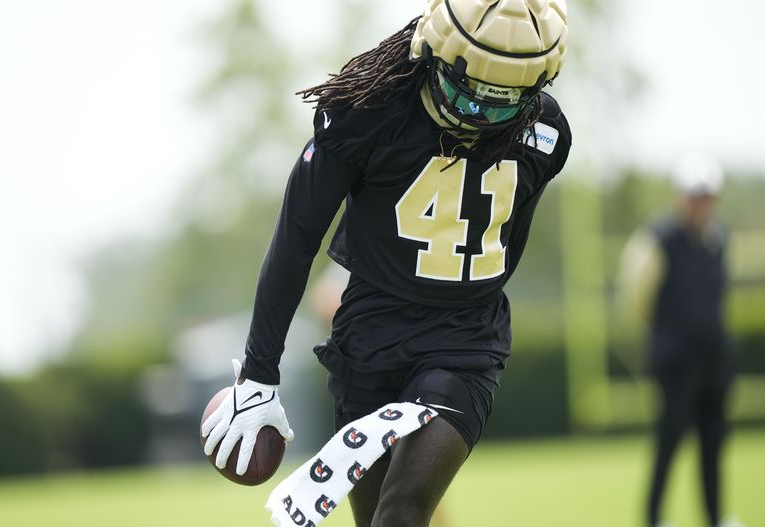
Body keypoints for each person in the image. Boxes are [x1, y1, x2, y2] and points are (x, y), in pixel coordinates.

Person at [202, 1, 571, 525]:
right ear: (433, 53)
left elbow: (505, 249)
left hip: (463, 343)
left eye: (503, 102)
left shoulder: (548, 134)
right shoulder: (368, 111)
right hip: (370, 337)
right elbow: (296, 237)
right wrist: (259, 374)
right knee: (374, 516)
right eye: (470, 92)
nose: (481, 117)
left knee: (403, 510)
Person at [617, 153, 735, 527]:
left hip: (714, 358)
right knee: (669, 441)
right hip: (676, 360)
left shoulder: (719, 240)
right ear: (680, 198)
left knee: (713, 444)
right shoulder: (657, 239)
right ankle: (654, 518)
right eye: (695, 196)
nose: (701, 204)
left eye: (707, 197)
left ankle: (715, 517)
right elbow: (635, 297)